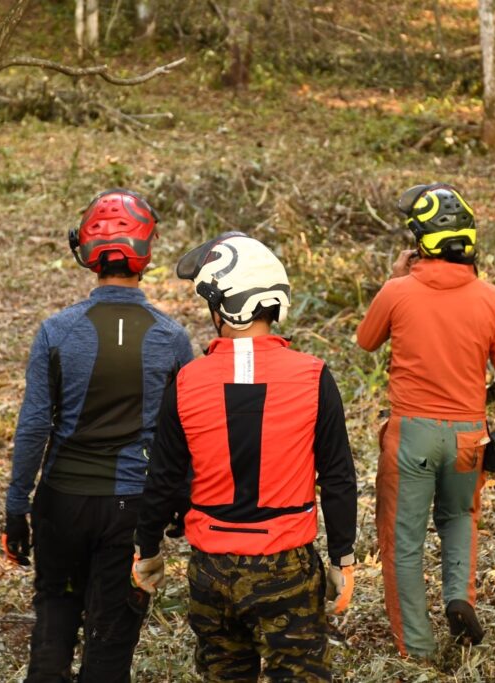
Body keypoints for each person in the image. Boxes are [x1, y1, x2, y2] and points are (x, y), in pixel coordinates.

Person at [132, 232, 358, 683]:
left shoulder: (188, 380)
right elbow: (337, 476)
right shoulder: (313, 376)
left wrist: (148, 548)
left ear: (220, 308)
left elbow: (163, 475)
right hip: (287, 564)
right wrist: (342, 558)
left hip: (211, 566)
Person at [2, 189, 193, 683]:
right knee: (110, 651)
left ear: (85, 252)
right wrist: (182, 503)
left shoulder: (57, 330)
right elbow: (186, 432)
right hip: (131, 508)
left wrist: (16, 505)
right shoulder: (172, 338)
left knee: (53, 633)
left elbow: (34, 424)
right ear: (145, 254)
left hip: (61, 502)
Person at [355, 183, 495, 658]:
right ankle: (458, 596)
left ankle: (417, 648)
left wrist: (393, 279)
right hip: (469, 435)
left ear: (420, 243)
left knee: (403, 541)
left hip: (411, 434)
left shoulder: (398, 291)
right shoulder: (490, 298)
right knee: (459, 518)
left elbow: (365, 340)